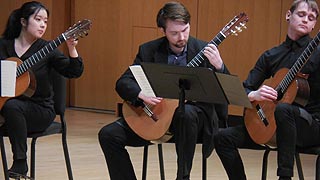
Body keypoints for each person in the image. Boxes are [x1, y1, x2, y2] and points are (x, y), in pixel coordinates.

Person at [98, 1, 229, 180]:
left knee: (186, 113)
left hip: (193, 125)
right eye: (174, 33)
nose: (181, 37)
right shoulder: (149, 50)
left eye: (185, 30)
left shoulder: (204, 51)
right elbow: (123, 82)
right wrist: (140, 95)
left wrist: (220, 67)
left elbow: (227, 92)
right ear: (163, 31)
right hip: (157, 117)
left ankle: (182, 177)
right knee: (108, 135)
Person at [214, 0, 320, 180]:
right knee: (222, 137)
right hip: (272, 126)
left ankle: (284, 177)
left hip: (310, 126)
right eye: (301, 15)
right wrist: (253, 94)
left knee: (284, 109)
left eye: (311, 18)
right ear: (288, 15)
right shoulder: (271, 55)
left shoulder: (317, 52)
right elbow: (244, 88)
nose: (306, 20)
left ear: (314, 25)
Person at [0, 1, 84, 179]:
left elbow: (74, 71)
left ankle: (20, 164)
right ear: (23, 22)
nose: (43, 25)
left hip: (39, 110)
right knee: (11, 106)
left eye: (45, 21)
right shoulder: (3, 46)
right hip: (5, 108)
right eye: (38, 19)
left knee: (13, 106)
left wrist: (72, 48)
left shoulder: (47, 50)